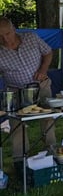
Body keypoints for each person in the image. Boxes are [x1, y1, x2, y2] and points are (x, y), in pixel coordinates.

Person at [0, 17, 56, 171]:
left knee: (47, 118)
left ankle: (51, 153)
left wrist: (43, 70)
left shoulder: (31, 38)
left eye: (7, 34)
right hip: (15, 90)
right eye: (0, 36)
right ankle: (21, 161)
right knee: (17, 124)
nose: (5, 39)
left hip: (40, 86)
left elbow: (48, 52)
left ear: (14, 29)